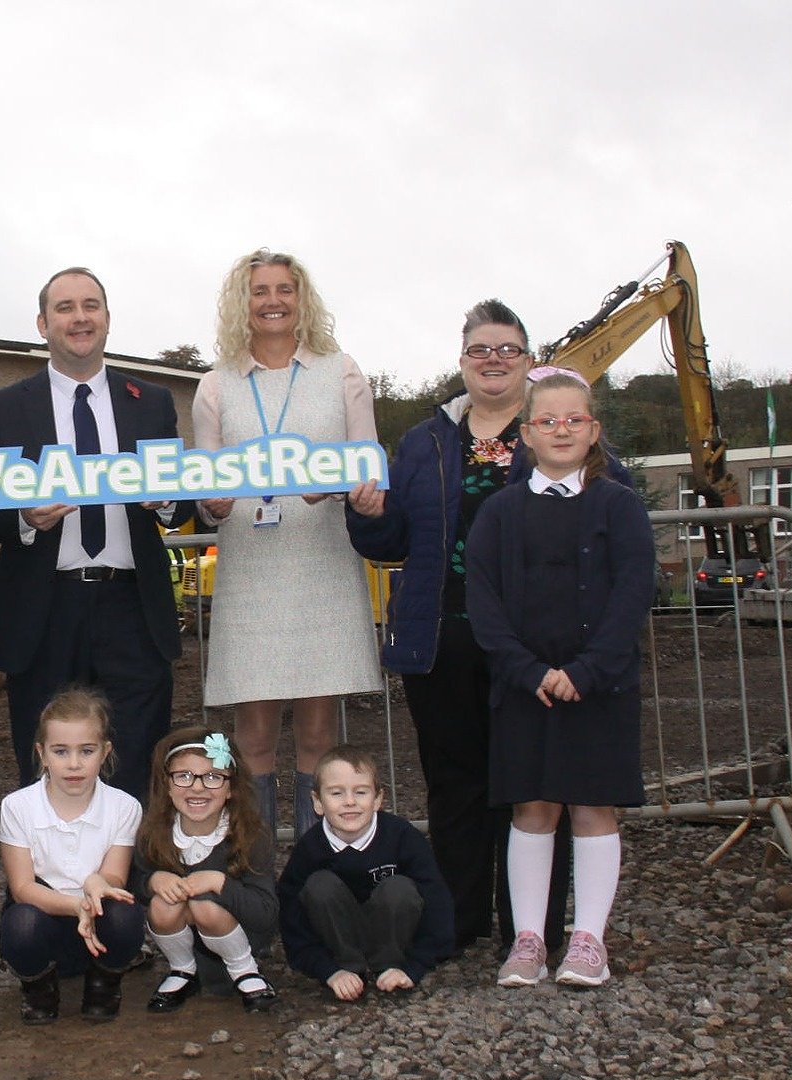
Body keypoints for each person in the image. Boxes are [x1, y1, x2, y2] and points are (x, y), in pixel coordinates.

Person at [345, 301, 574, 959]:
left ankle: (532, 928)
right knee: (454, 785)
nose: (494, 360)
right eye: (481, 349)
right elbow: (391, 539)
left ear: (529, 360)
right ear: (462, 360)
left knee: (532, 785)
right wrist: (364, 512)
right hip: (441, 637)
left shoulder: (556, 430)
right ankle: (461, 920)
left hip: (532, 642)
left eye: (507, 348)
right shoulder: (424, 443)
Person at [0, 267, 189, 800]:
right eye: (64, 308)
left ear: (107, 320)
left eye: (91, 306)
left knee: (134, 763)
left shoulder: (151, 403)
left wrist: (168, 501)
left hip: (133, 607)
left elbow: (179, 501)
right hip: (44, 610)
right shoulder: (2, 407)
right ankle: (40, 883)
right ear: (43, 323)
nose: (79, 317)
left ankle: (126, 880)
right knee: (45, 763)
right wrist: (23, 518)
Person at [465, 371, 657, 988]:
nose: (562, 430)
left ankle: (588, 941)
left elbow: (632, 595)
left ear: (594, 430)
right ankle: (528, 941)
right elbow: (484, 601)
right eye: (548, 421)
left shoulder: (619, 506)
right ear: (526, 434)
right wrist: (528, 672)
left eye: (574, 420)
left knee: (594, 808)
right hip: (525, 688)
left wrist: (587, 671)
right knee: (532, 808)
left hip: (599, 685)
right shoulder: (498, 512)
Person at [191, 249, 382, 837]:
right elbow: (205, 485)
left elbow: (367, 465)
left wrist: (348, 488)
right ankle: (256, 872)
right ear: (241, 304)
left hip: (322, 565)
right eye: (260, 291)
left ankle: (315, 868)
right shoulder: (215, 385)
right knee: (251, 734)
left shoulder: (342, 371)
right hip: (251, 571)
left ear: (302, 299)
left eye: (284, 289)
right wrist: (213, 502)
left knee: (320, 731)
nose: (273, 301)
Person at [0, 688, 146, 1023]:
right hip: (44, 921)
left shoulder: (124, 806)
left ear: (105, 752)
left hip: (98, 923)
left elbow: (116, 877)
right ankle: (38, 988)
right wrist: (76, 905)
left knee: (125, 916)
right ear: (42, 753)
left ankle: (103, 983)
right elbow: (22, 888)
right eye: (61, 751)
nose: (74, 763)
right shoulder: (17, 806)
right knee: (21, 923)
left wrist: (97, 882)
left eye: (86, 751)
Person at [276, 746, 454, 1001]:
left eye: (360, 792)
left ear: (378, 799)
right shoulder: (310, 849)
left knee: (399, 888)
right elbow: (292, 919)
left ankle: (389, 967)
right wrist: (327, 970)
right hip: (339, 948)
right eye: (337, 793)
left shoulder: (403, 837)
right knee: (319, 885)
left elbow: (438, 903)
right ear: (317, 802)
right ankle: (349, 969)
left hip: (394, 945)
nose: (350, 802)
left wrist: (414, 967)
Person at [132, 726, 280, 1014]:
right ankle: (183, 970)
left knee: (205, 905)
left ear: (230, 788)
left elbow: (266, 914)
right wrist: (153, 881)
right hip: (188, 943)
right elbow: (134, 885)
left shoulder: (251, 836)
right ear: (168, 785)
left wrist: (220, 882)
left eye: (212, 777)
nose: (197, 787)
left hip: (242, 936)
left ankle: (245, 971)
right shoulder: (155, 833)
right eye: (184, 776)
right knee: (163, 905)